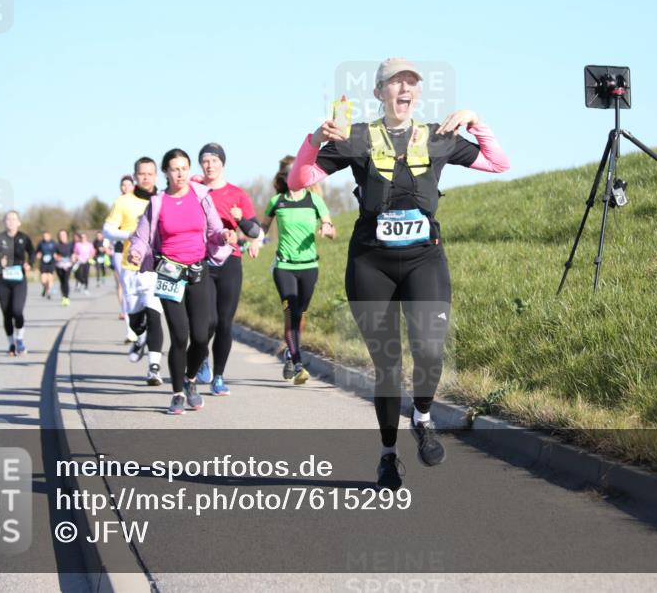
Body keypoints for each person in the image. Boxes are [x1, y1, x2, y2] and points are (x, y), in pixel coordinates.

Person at [288, 58, 510, 490]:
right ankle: (388, 455)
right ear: (379, 93)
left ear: (419, 91)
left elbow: (498, 163)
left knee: (429, 350)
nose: (404, 89)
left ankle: (422, 418)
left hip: (424, 258)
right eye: (395, 83)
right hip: (371, 262)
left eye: (411, 82)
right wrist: (314, 140)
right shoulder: (356, 137)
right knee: (387, 366)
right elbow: (300, 179)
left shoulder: (439, 137)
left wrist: (476, 121)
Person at [128, 149, 236, 414]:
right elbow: (141, 237)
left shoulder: (200, 196)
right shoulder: (158, 202)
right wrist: (136, 252)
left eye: (184, 168)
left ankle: (190, 380)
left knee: (200, 336)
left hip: (197, 271)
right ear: (166, 172)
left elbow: (214, 229)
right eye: (175, 169)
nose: (180, 173)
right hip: (169, 274)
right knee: (179, 335)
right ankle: (177, 394)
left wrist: (224, 235)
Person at [196, 143, 264, 395]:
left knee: (224, 322)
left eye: (214, 160)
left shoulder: (237, 194)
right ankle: (201, 357)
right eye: (205, 160)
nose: (209, 165)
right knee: (208, 321)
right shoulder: (195, 192)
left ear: (222, 164)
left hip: (230, 262)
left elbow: (255, 231)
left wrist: (240, 219)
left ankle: (219, 377)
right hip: (202, 260)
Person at [261, 156, 336, 384]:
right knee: (290, 312)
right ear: (284, 177)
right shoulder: (277, 202)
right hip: (284, 267)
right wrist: (255, 241)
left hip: (309, 267)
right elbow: (262, 228)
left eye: (298, 172)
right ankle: (298, 364)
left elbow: (330, 227)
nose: (294, 176)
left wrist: (327, 229)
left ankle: (290, 351)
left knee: (301, 314)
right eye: (290, 172)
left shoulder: (315, 201)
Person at [103, 157, 166, 386]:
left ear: (156, 176)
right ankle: (140, 339)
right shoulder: (123, 202)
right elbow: (107, 229)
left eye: (150, 173)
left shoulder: (164, 199)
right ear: (135, 176)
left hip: (156, 267)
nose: (146, 177)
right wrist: (129, 234)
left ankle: (154, 367)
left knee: (154, 314)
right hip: (131, 267)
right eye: (142, 174)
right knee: (136, 320)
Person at [0, 210, 34, 356]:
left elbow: (32, 252)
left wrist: (29, 264)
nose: (11, 221)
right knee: (7, 313)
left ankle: (19, 339)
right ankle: (11, 344)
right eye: (8, 219)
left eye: (14, 219)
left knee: (17, 311)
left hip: (19, 279)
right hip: (3, 280)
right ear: (4, 222)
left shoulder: (24, 238)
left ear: (19, 222)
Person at [111, 175, 135, 321]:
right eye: (123, 185)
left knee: (133, 281)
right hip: (120, 248)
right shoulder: (117, 204)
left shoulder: (138, 203)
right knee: (122, 281)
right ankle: (124, 310)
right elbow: (110, 227)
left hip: (135, 248)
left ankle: (133, 308)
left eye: (128, 185)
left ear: (133, 186)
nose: (125, 188)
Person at [53, 229, 74, 306]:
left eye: (64, 235)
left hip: (68, 265)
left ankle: (66, 297)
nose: (62, 236)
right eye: (61, 235)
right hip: (59, 265)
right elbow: (54, 254)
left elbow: (74, 253)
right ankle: (63, 296)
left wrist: (73, 257)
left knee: (66, 280)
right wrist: (56, 257)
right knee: (62, 281)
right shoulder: (56, 245)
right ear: (59, 236)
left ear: (66, 235)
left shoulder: (70, 244)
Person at [36, 231, 57, 299]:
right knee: (43, 280)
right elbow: (37, 251)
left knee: (50, 278)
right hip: (43, 263)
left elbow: (58, 251)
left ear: (49, 236)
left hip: (51, 262)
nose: (45, 237)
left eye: (46, 236)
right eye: (44, 236)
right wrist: (38, 254)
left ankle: (48, 291)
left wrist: (56, 255)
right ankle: (45, 288)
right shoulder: (41, 243)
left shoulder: (53, 243)